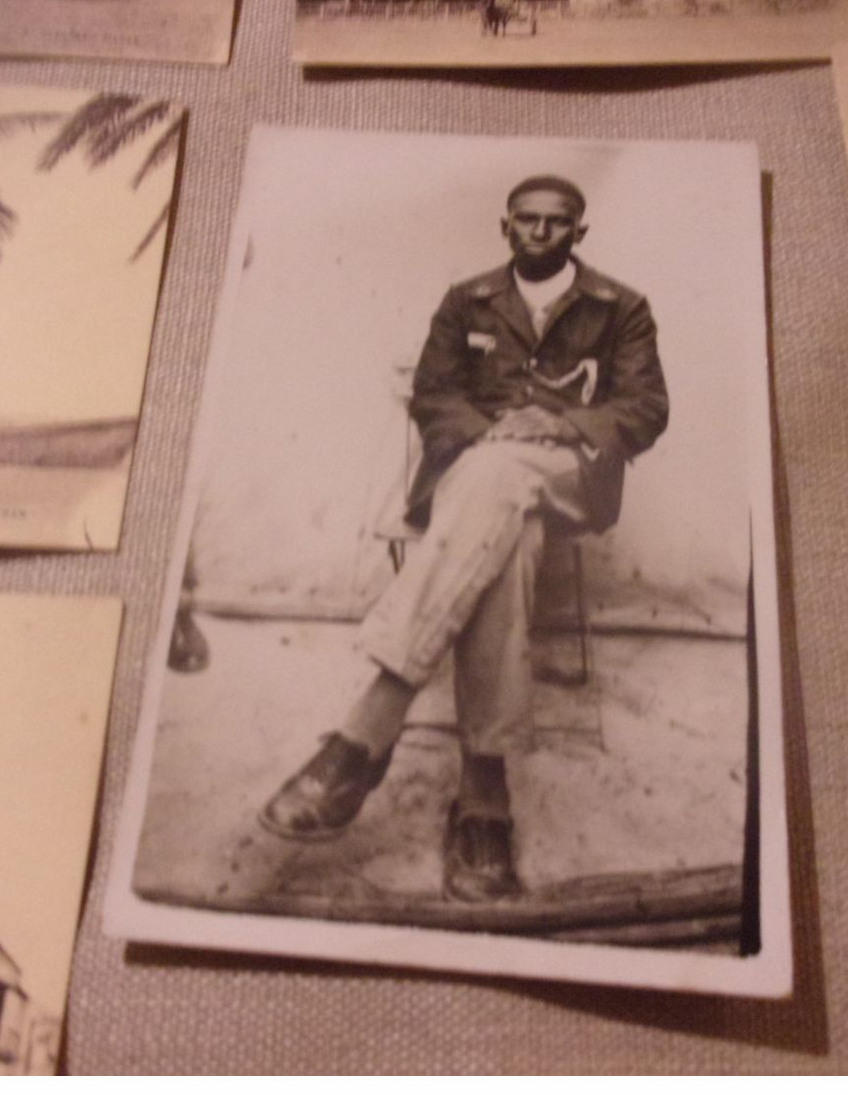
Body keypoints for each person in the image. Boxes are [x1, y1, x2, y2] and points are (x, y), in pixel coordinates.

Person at [258, 175, 670, 903]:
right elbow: (434, 394)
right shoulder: (466, 300)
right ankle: (484, 798)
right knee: (504, 526)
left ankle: (367, 730)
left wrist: (560, 426)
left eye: (557, 223)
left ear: (580, 233)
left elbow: (645, 409)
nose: (540, 233)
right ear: (504, 226)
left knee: (502, 480)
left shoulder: (622, 306)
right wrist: (490, 439)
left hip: (573, 476)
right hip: (482, 485)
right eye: (527, 221)